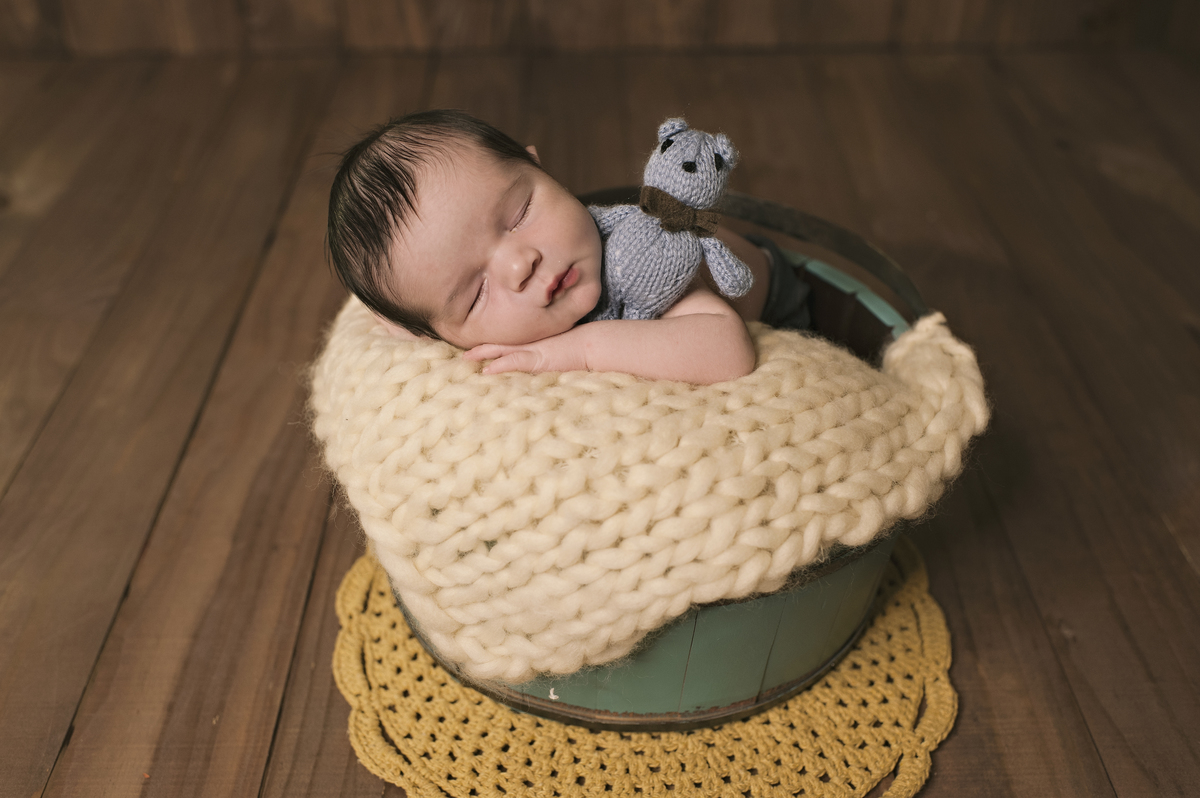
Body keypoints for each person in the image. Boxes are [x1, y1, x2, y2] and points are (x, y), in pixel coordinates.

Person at [327, 110, 809, 385]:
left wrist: (580, 349)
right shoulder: (448, 324)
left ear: (542, 169)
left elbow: (727, 351)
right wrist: (412, 325)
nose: (520, 263)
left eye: (517, 216)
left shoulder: (640, 266)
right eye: (475, 295)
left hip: (775, 299)